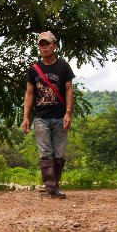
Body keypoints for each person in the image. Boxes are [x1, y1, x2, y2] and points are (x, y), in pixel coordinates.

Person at [22, 31, 74, 199]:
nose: (44, 47)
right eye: (41, 44)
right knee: (45, 153)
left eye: (47, 43)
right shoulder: (34, 69)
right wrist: (26, 117)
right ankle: (51, 187)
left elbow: (69, 90)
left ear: (54, 46)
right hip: (41, 117)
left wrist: (68, 113)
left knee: (58, 154)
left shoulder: (63, 67)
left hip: (60, 116)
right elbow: (29, 94)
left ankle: (53, 186)